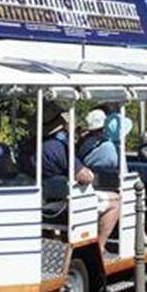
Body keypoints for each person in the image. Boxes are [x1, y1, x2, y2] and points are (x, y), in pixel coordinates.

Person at [41, 104, 120, 250]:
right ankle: (100, 246)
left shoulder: (31, 145)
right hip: (64, 201)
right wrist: (89, 175)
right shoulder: (58, 148)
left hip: (46, 198)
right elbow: (85, 177)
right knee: (116, 201)